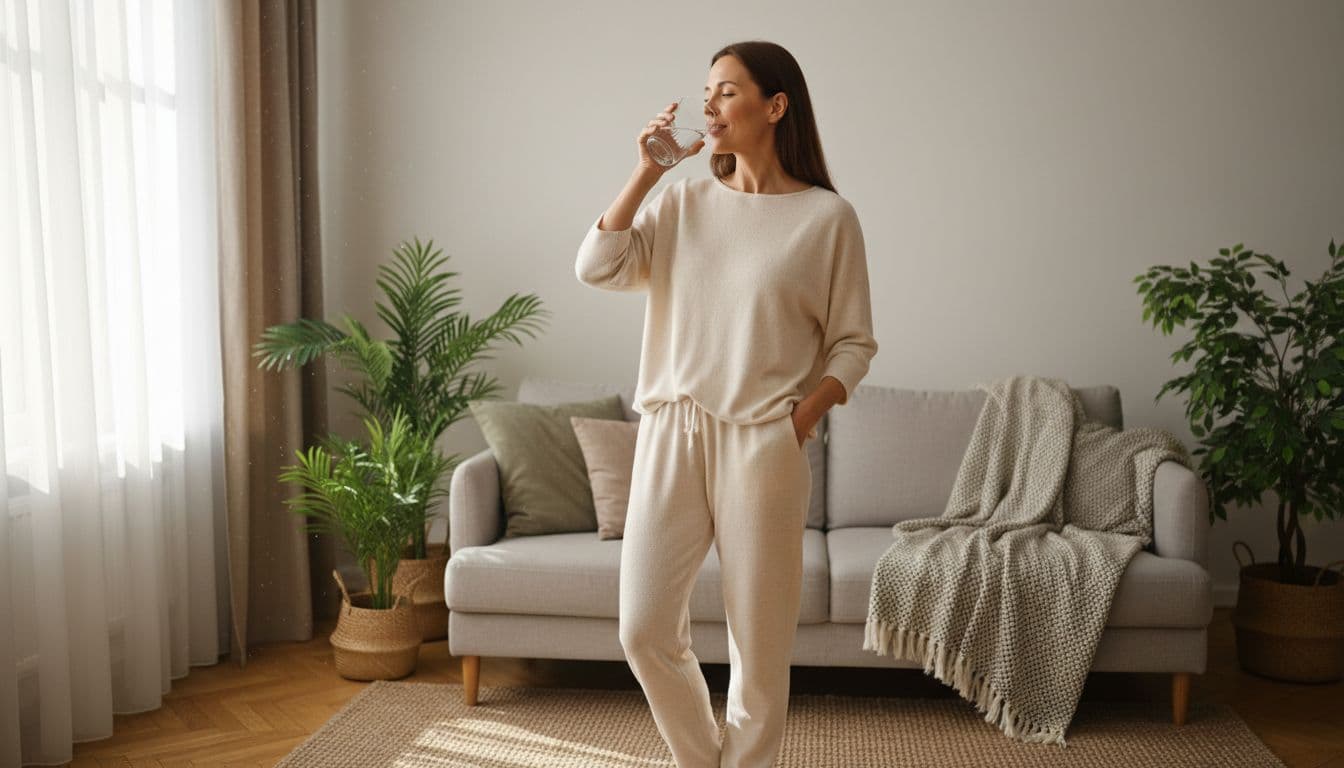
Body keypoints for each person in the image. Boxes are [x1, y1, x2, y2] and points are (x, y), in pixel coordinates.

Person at [574, 40, 879, 768]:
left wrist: (800, 420)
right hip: (672, 428)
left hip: (763, 446)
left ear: (775, 107)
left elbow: (854, 346)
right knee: (644, 630)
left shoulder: (826, 219)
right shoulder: (682, 200)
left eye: (727, 91)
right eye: (706, 90)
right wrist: (648, 170)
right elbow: (597, 266)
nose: (708, 104)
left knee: (759, 650)